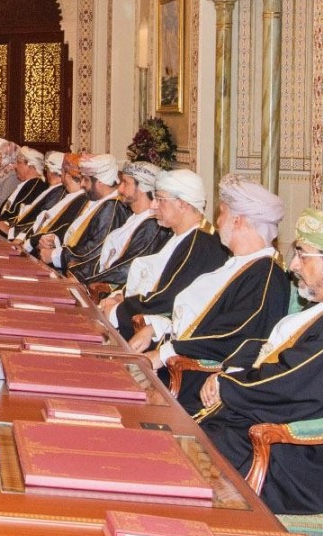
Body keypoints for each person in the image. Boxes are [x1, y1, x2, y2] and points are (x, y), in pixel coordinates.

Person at [197, 210, 323, 515]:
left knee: (191, 447)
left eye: (302, 255)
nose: (293, 266)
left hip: (309, 463)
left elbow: (293, 383)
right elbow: (282, 353)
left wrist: (228, 386)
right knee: (187, 433)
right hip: (292, 435)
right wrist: (234, 370)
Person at [129, 174, 293, 411]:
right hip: (175, 362)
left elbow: (235, 337)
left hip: (196, 381)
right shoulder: (239, 263)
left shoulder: (266, 275)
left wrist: (166, 352)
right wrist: (157, 327)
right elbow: (202, 319)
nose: (217, 221)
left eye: (222, 213)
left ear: (238, 221)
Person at [101, 169, 229, 341]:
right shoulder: (177, 234)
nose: (153, 205)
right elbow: (151, 277)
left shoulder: (202, 245)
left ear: (182, 204)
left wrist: (119, 310)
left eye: (160, 199)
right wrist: (120, 295)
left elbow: (167, 299)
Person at [80, 161, 170, 288]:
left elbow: (127, 268)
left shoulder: (151, 224)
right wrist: (79, 275)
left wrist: (85, 281)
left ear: (142, 188)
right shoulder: (133, 217)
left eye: (125, 183)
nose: (120, 189)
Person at [17, 152, 88, 250]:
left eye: (62, 171)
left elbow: (57, 232)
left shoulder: (79, 200)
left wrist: (29, 242)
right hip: (32, 243)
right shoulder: (69, 195)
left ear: (67, 175)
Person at [0, 146, 48, 228]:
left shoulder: (36, 185)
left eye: (19, 162)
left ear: (30, 166)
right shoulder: (28, 183)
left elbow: (20, 215)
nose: (15, 166)